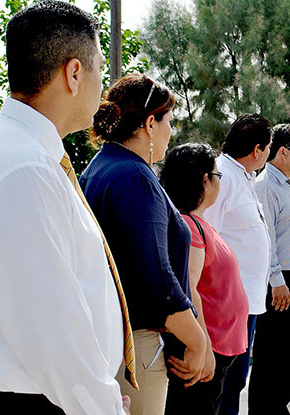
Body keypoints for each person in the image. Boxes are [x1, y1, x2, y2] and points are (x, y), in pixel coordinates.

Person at [0, 2, 132, 413]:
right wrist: (100, 405)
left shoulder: (26, 155)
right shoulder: (21, 169)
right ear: (73, 73)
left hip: (55, 397)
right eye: (100, 68)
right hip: (38, 402)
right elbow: (53, 332)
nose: (103, 84)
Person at [80, 74, 207, 415]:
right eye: (169, 122)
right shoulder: (134, 177)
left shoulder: (101, 167)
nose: (171, 132)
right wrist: (198, 340)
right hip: (136, 342)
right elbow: (156, 279)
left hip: (110, 336)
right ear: (150, 124)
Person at [160, 143, 250, 415]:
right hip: (206, 351)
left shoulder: (200, 223)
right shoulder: (189, 225)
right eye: (217, 175)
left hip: (218, 348)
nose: (218, 182)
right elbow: (189, 289)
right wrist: (204, 348)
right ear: (204, 180)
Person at [204, 114, 272, 415]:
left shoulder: (243, 176)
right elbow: (206, 237)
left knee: (235, 380)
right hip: (228, 302)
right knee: (224, 382)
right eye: (268, 147)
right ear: (257, 150)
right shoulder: (224, 177)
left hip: (246, 301)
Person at [248, 124, 290, 415]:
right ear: (283, 151)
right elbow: (267, 238)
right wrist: (277, 280)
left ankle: (278, 408)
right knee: (271, 356)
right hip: (280, 285)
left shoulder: (286, 183)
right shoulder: (265, 186)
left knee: (287, 354)